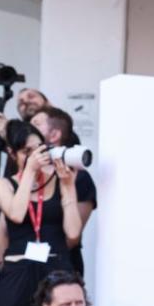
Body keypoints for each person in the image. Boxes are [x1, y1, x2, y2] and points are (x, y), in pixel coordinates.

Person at [0, 121, 86, 306]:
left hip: (56, 271)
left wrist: (68, 186)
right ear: (13, 154)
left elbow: (72, 232)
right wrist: (29, 172)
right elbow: (17, 213)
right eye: (26, 151)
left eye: (38, 149)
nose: (35, 156)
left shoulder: (60, 179)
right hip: (19, 273)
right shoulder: (3, 183)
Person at [31, 107, 95, 275]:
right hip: (23, 268)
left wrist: (46, 257)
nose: (28, 129)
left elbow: (73, 236)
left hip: (61, 268)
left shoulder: (79, 177)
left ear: (54, 135)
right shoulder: (26, 173)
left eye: (36, 124)